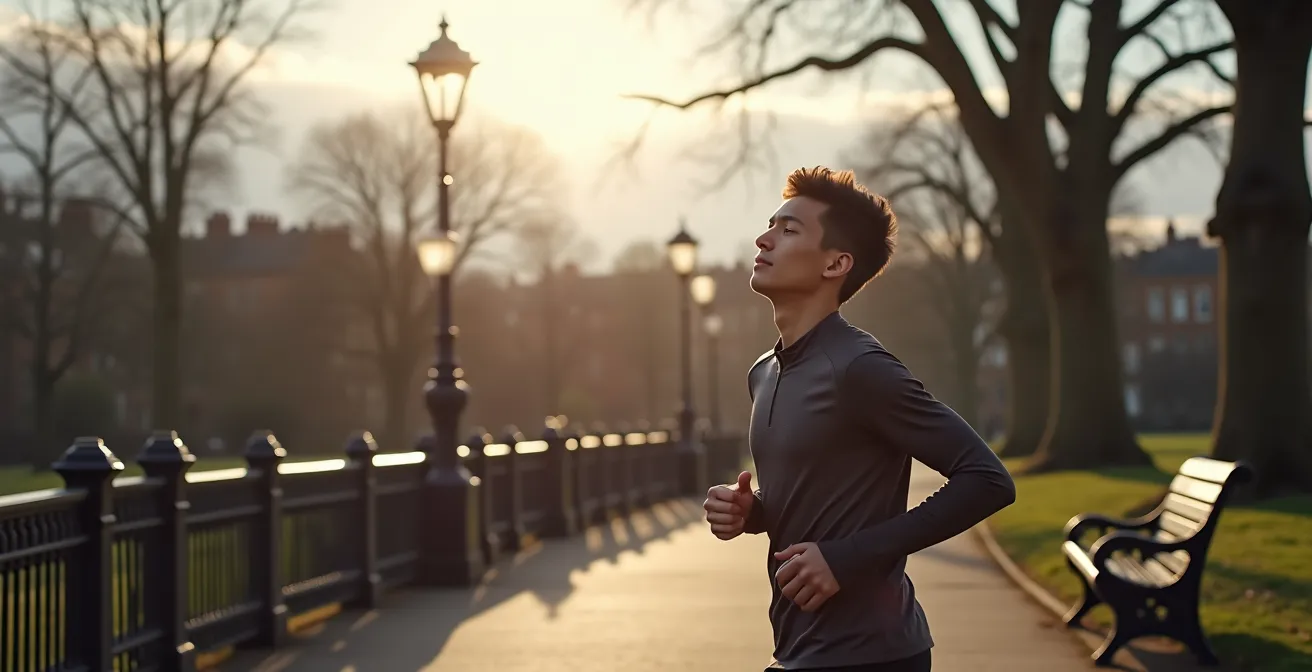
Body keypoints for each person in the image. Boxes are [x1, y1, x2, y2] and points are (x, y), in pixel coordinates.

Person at [702, 167, 1017, 672]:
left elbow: (987, 479)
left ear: (836, 264)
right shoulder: (763, 373)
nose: (764, 239)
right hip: (798, 648)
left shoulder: (859, 368)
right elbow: (811, 494)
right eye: (770, 225)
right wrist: (753, 512)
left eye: (789, 230)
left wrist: (845, 558)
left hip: (874, 654)